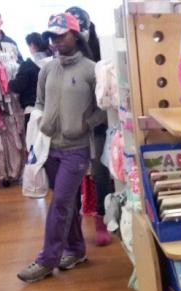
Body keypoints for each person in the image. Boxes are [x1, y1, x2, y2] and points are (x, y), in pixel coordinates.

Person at [16, 12, 106, 283]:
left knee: (59, 204)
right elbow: (40, 101)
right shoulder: (46, 69)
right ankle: (76, 250)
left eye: (60, 35)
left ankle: (47, 259)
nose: (55, 41)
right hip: (50, 148)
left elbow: (104, 108)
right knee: (66, 202)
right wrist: (41, 121)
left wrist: (85, 124)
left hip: (76, 149)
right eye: (51, 36)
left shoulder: (91, 69)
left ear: (75, 35)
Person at [66, 6, 113, 246]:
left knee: (99, 172)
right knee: (70, 176)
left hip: (96, 125)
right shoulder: (58, 61)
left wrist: (89, 122)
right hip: (68, 128)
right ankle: (72, 227)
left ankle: (101, 220)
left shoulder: (100, 55)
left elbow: (105, 101)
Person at [8, 33, 52, 128]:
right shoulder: (55, 62)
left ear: (32, 45)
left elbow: (18, 86)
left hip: (34, 110)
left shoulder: (28, 65)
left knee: (34, 137)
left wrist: (8, 82)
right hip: (54, 110)